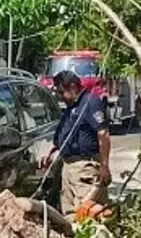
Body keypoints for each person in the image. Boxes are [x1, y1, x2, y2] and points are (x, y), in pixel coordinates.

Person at [38, 70, 112, 214]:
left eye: (61, 92)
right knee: (70, 214)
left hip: (84, 167)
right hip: (68, 168)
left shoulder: (90, 102)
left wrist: (104, 166)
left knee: (88, 213)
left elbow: (103, 135)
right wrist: (51, 151)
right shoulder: (71, 106)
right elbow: (66, 134)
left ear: (72, 87)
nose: (60, 97)